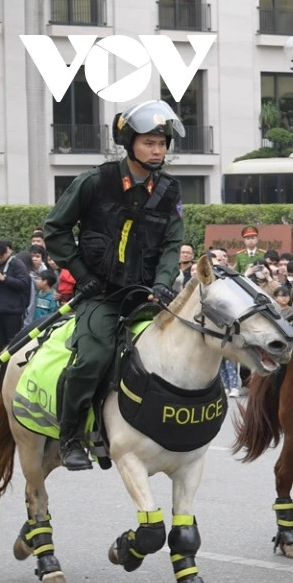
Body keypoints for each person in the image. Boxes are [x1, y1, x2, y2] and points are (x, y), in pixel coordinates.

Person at [43, 100, 185, 471]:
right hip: (101, 295)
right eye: (150, 142)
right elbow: (55, 230)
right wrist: (82, 274)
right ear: (130, 143)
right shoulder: (95, 181)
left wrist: (164, 283)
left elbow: (172, 244)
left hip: (148, 296)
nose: (159, 150)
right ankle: (70, 436)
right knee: (92, 358)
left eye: (163, 143)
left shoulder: (170, 190)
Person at [0, 240, 31, 352]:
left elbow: (23, 284)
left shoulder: (17, 264)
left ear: (7, 252)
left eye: (0, 257)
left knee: (12, 344)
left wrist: (4, 279)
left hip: (12, 312)